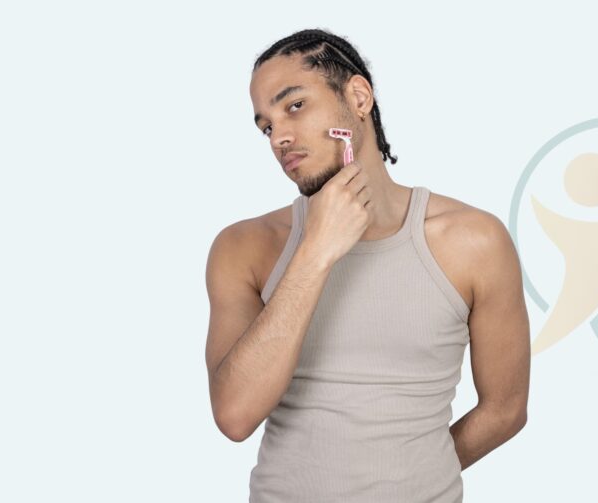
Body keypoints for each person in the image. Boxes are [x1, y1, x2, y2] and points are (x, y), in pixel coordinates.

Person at [205, 28, 531, 502]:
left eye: (294, 105)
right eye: (267, 125)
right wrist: (316, 251)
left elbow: (506, 409)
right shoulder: (244, 247)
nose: (281, 137)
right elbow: (234, 416)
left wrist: (415, 475)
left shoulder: (473, 241)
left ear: (357, 97)